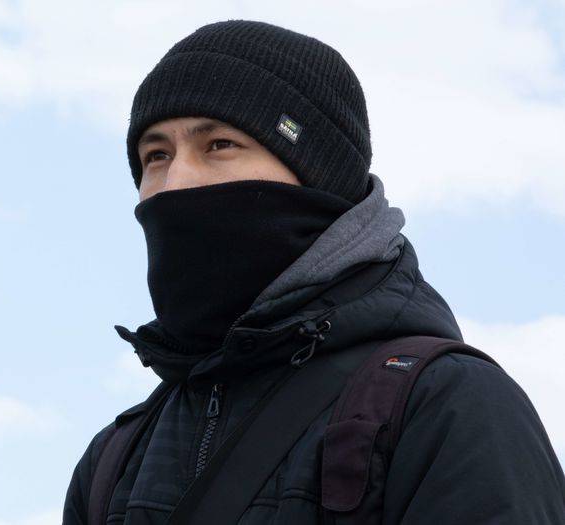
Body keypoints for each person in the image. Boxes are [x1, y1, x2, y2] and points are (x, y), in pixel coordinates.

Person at [62, 19, 565, 524]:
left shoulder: (449, 407)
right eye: (156, 155)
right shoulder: (113, 461)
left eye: (219, 145)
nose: (176, 182)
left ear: (318, 175)